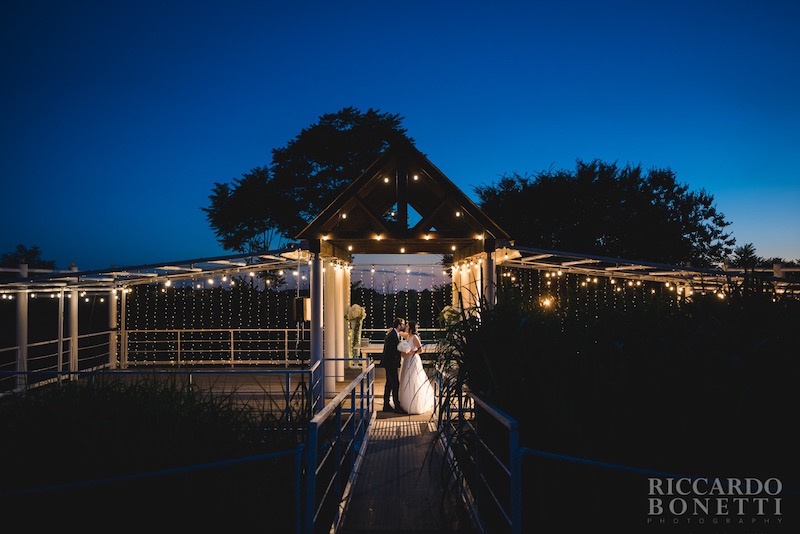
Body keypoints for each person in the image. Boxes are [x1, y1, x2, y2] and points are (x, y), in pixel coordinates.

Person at [398, 321, 435, 415]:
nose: (405, 327)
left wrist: (411, 352)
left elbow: (421, 350)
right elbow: (400, 333)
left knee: (413, 379)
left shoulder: (415, 337)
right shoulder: (408, 336)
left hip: (413, 359)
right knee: (405, 379)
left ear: (410, 328)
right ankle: (404, 402)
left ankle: (414, 403)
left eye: (407, 326)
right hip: (406, 360)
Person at [381, 316, 406, 413]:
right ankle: (397, 406)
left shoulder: (393, 333)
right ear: (399, 325)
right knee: (395, 384)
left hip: (389, 363)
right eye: (403, 324)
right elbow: (391, 350)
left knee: (389, 384)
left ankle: (386, 405)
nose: (403, 326)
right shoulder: (393, 334)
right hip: (391, 363)